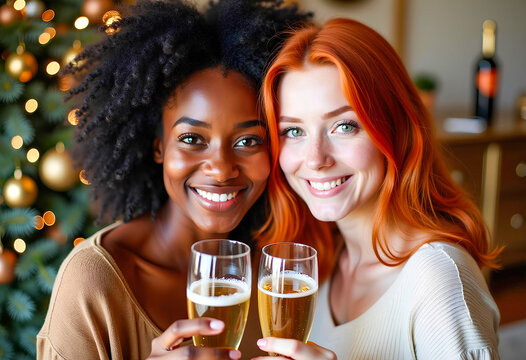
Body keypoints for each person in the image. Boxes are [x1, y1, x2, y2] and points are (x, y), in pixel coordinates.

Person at [36, 1, 312, 359]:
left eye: (248, 141)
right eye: (192, 139)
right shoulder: (94, 282)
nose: (221, 168)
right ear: (158, 147)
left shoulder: (278, 272)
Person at [253, 18, 501, 359]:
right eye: (294, 131)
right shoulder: (319, 263)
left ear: (396, 128)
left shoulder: (440, 279)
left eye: (344, 125)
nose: (315, 159)